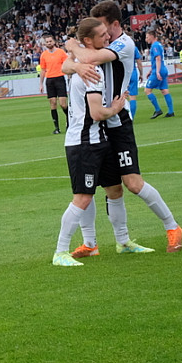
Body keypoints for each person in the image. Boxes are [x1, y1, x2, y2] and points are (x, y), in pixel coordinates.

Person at [63, 0, 182, 255]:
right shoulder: (96, 42)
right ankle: (98, 243)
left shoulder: (124, 44)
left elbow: (89, 57)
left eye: (103, 27)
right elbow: (66, 66)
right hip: (97, 125)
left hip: (118, 123)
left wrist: (72, 45)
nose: (102, 33)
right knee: (103, 187)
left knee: (133, 183)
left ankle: (172, 226)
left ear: (115, 24)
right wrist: (76, 60)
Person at [53, 18, 129, 266]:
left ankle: (122, 242)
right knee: (83, 197)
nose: (108, 38)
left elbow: (68, 63)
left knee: (114, 189)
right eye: (102, 35)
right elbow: (97, 113)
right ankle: (60, 252)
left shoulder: (82, 63)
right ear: (88, 40)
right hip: (84, 142)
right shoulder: (91, 71)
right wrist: (115, 108)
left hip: (99, 139)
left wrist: (73, 55)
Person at [38, 34, 69, 134]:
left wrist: (69, 77)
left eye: (50, 41)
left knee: (63, 104)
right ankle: (57, 128)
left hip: (60, 78)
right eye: (47, 42)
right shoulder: (44, 55)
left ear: (54, 42)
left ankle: (69, 120)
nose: (49, 43)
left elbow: (67, 65)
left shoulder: (61, 52)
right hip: (50, 80)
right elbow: (43, 70)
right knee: (53, 103)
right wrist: (41, 84)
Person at [143, 29, 175, 118]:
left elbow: (158, 58)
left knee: (147, 90)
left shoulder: (155, 45)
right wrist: (150, 70)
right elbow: (156, 60)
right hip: (163, 69)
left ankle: (158, 110)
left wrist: (157, 72)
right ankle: (171, 111)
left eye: (147, 37)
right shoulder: (158, 44)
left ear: (152, 36)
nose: (146, 39)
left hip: (159, 70)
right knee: (164, 90)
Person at [128, 46, 142, 119]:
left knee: (120, 96)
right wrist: (141, 74)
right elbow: (139, 62)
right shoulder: (134, 47)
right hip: (133, 73)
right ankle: (131, 118)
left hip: (123, 74)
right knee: (132, 97)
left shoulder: (118, 46)